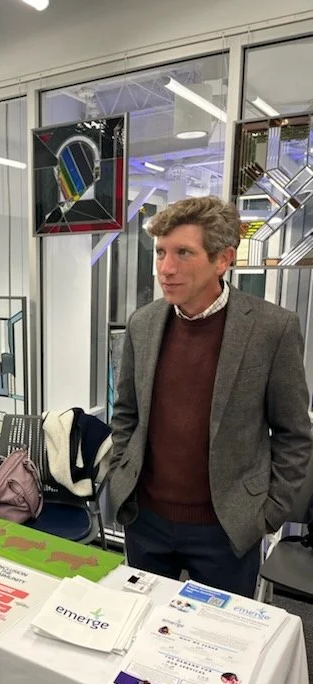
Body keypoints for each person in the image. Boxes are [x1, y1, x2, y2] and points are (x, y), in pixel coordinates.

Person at [109, 196, 311, 598]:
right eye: (161, 252)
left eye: (183, 253)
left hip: (227, 526)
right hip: (145, 519)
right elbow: (126, 413)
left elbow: (294, 434)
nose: (166, 268)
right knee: (144, 625)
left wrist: (267, 514)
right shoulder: (143, 324)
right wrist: (120, 475)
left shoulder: (272, 329)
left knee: (217, 634)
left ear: (223, 259)